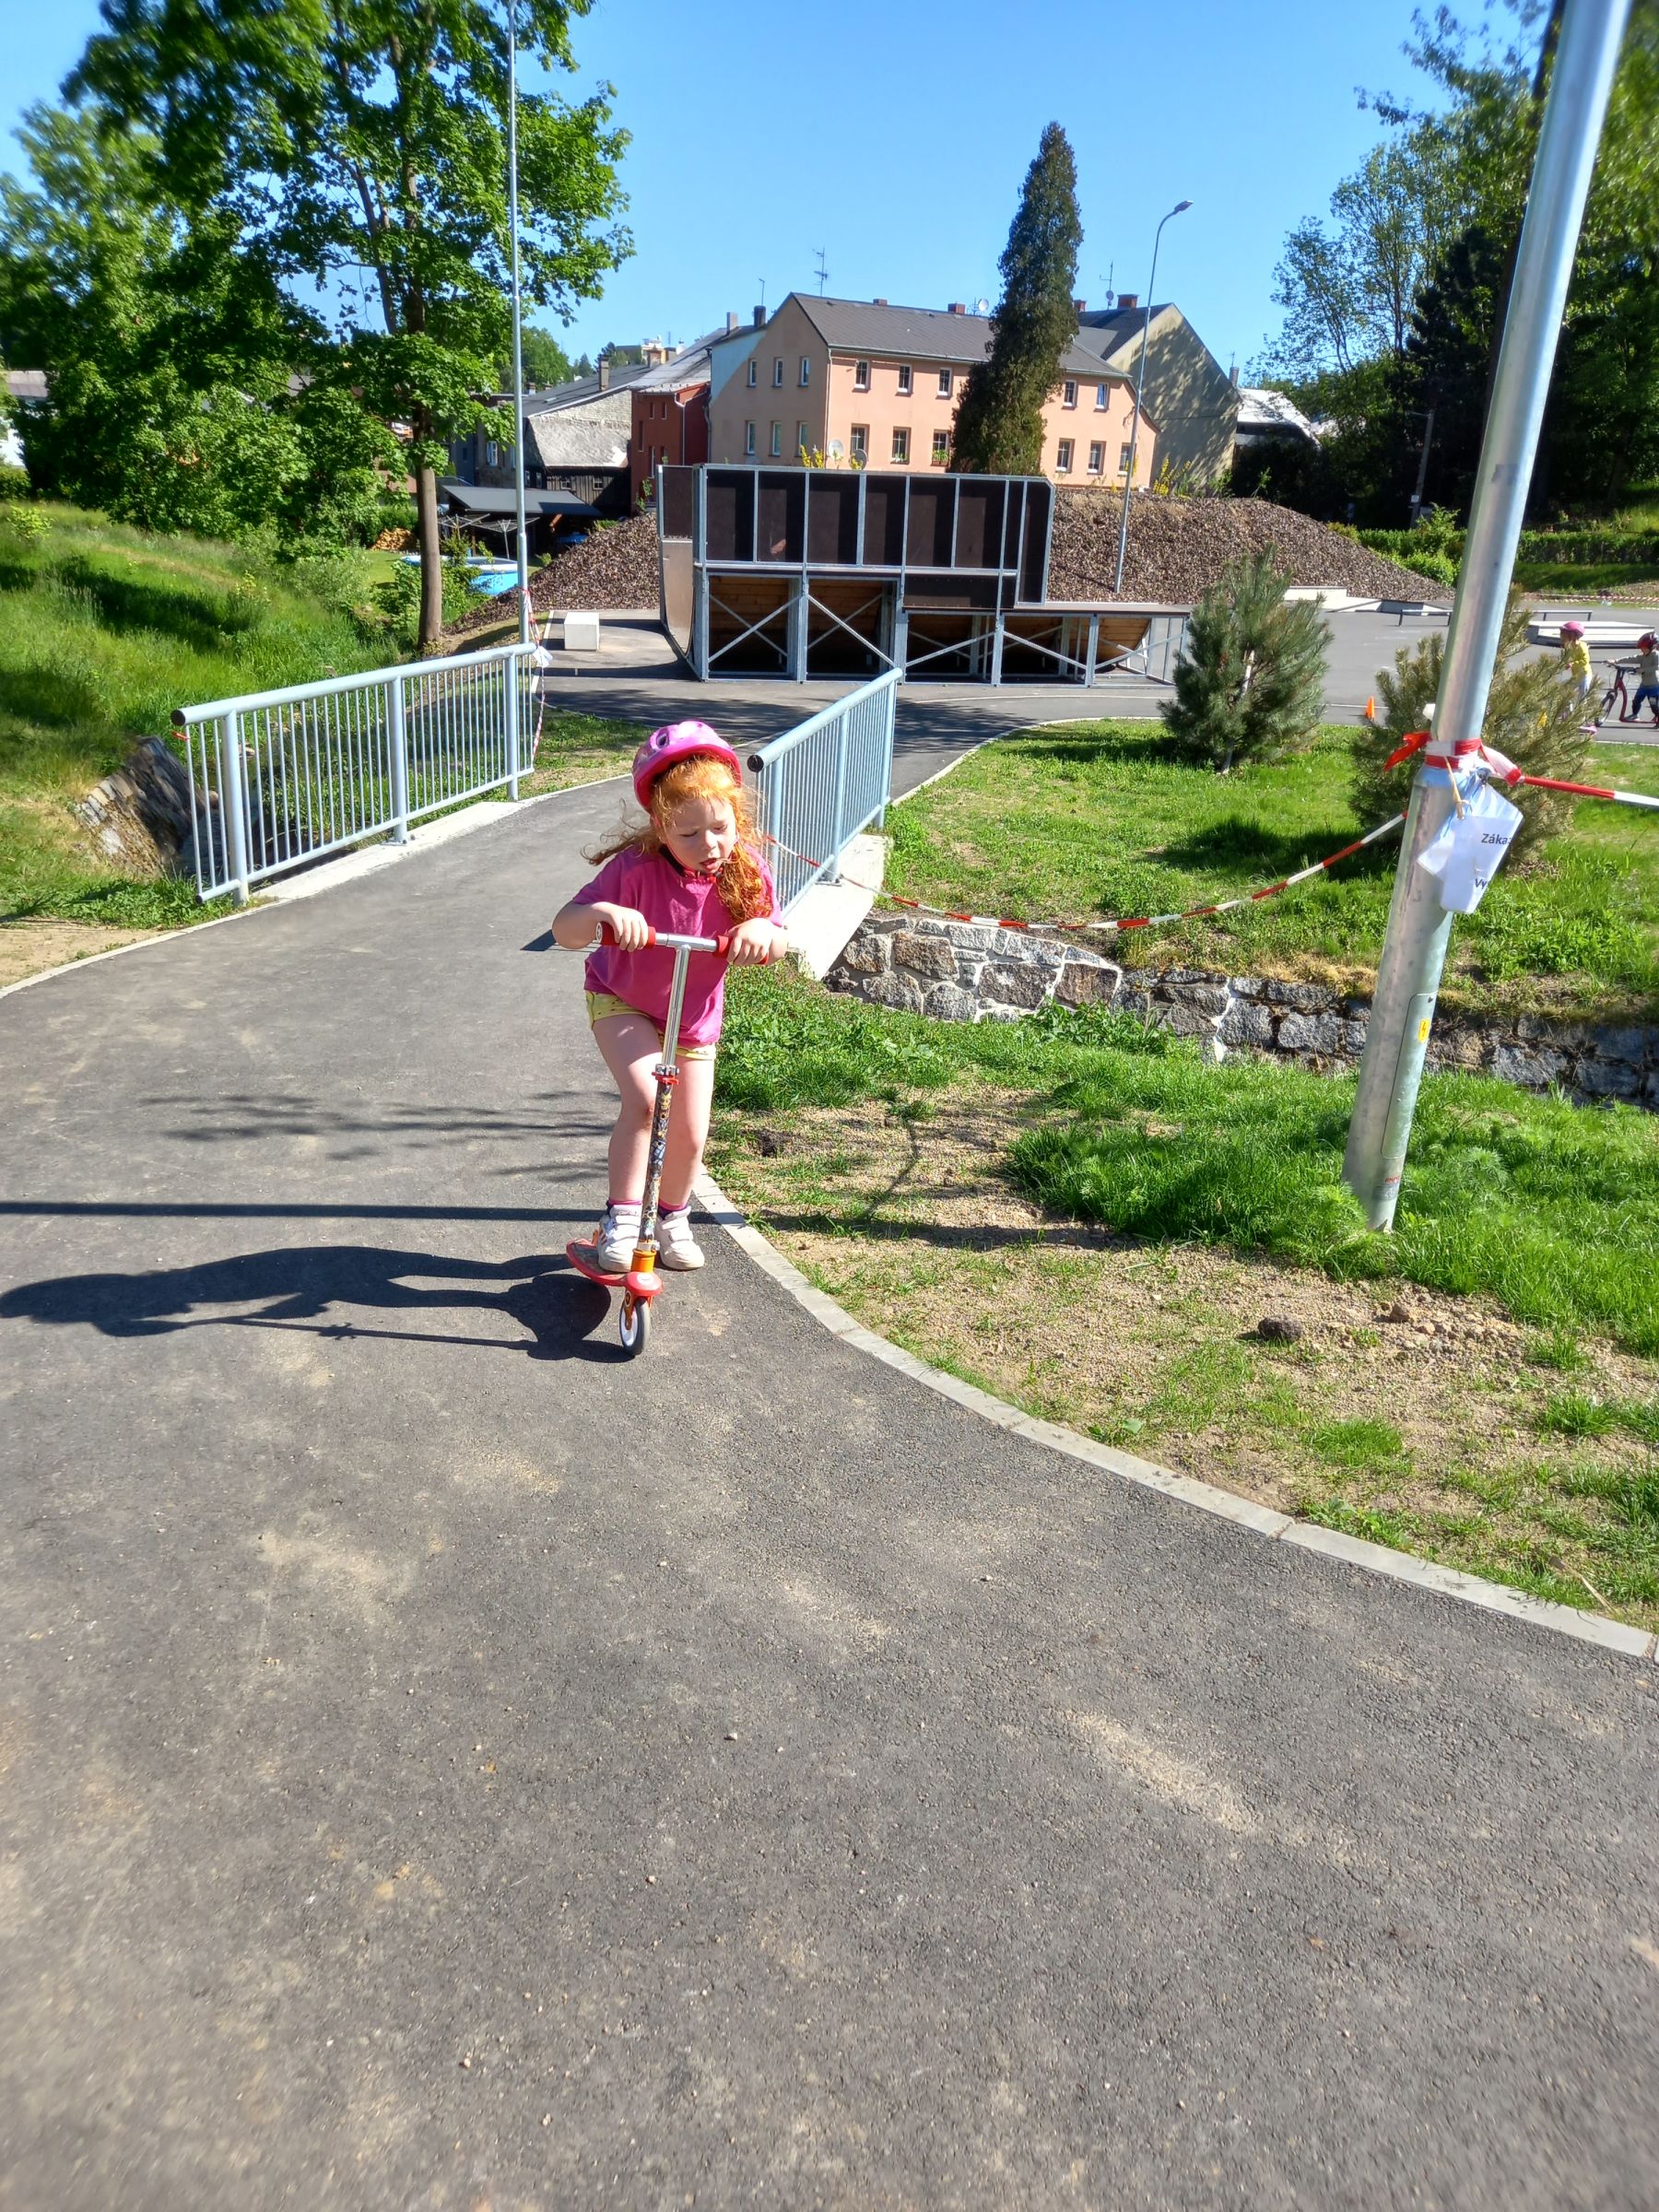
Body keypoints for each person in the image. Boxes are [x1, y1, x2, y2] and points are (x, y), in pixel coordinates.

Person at [551, 723, 786, 1272]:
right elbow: (565, 929)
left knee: (690, 1131)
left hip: (692, 1017)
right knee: (646, 1098)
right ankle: (622, 1217)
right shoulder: (634, 868)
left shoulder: (746, 872)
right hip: (622, 999)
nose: (710, 845)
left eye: (721, 828)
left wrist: (761, 931)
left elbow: (777, 941)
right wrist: (605, 913)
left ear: (736, 817)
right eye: (689, 834)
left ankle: (673, 1218)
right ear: (660, 827)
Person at [1559, 619, 1594, 708]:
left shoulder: (1582, 646)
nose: (1562, 636)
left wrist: (1573, 664)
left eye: (1565, 634)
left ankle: (1581, 715)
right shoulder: (1568, 646)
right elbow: (1567, 658)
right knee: (1566, 693)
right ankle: (1569, 714)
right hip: (1575, 676)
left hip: (1584, 675)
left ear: (1573, 635)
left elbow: (1585, 660)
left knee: (1582, 698)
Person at [1632, 631, 1659, 723]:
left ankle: (1657, 717)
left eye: (1644, 648)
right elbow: (1633, 658)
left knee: (1653, 705)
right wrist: (1616, 661)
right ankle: (1635, 715)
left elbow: (1657, 667)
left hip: (1654, 687)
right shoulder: (1643, 656)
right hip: (1644, 686)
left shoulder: (1656, 655)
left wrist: (1644, 670)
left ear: (1651, 647)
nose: (1642, 650)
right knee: (1636, 701)